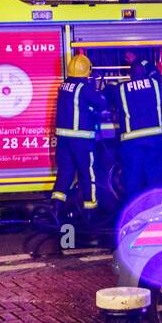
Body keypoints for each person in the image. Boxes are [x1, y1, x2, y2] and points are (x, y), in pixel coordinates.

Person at [115, 56, 162, 200]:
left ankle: (135, 213)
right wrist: (139, 60)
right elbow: (155, 72)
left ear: (130, 75)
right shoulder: (155, 83)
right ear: (145, 73)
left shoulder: (121, 88)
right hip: (154, 140)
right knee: (155, 177)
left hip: (131, 142)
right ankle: (153, 211)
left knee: (133, 179)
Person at [52, 54, 101, 214]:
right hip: (81, 140)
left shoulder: (63, 86)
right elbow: (102, 103)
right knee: (87, 173)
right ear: (87, 70)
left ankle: (56, 208)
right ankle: (90, 209)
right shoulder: (84, 87)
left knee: (65, 173)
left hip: (63, 140)